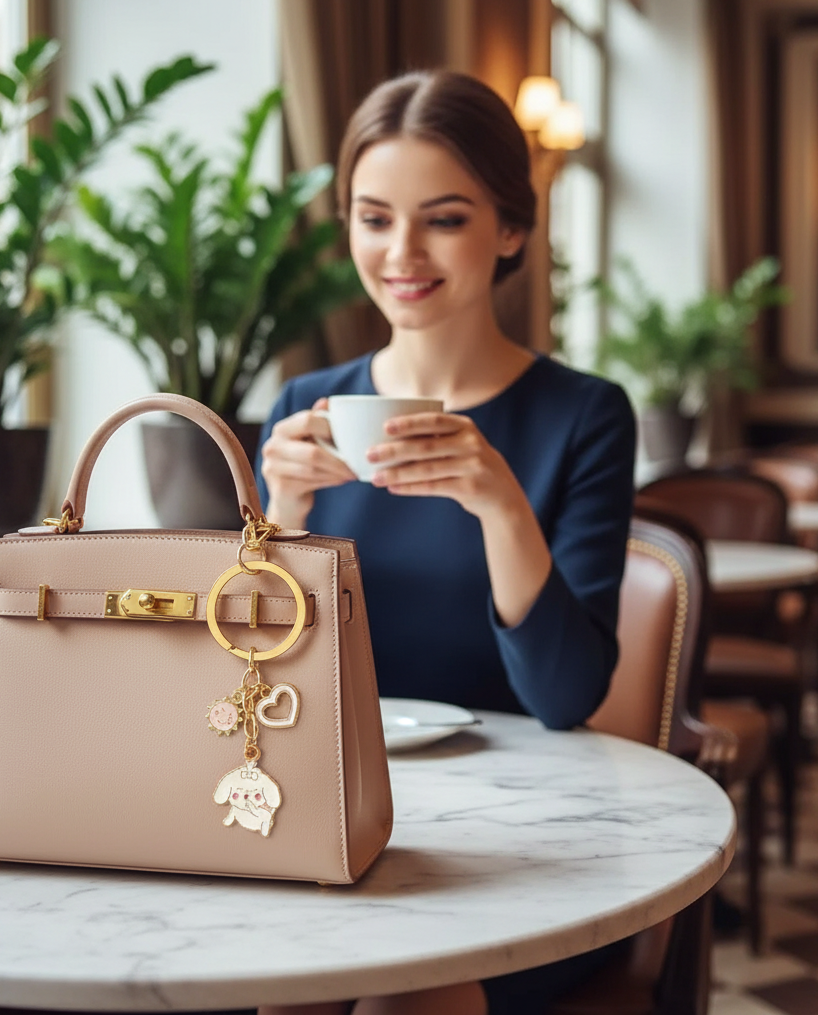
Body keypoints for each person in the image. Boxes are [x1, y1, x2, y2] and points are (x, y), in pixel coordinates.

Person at [254, 70, 636, 1015]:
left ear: (510, 230)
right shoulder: (305, 408)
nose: (402, 253)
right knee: (271, 980)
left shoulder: (585, 417)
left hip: (526, 845)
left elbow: (566, 698)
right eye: (374, 218)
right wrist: (280, 517)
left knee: (410, 998)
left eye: (446, 219)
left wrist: (502, 504)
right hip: (331, 817)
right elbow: (249, 681)